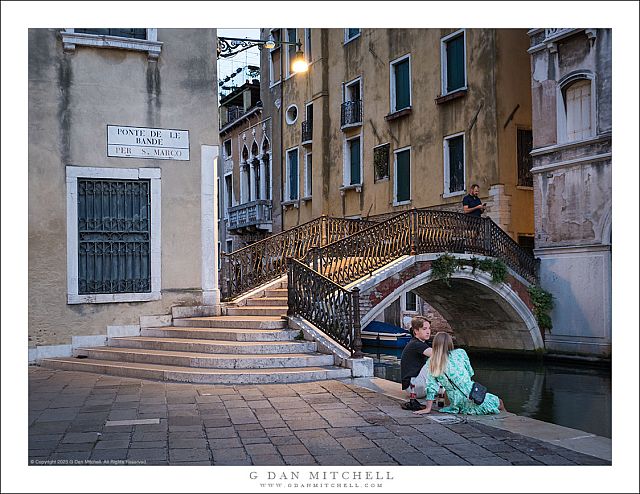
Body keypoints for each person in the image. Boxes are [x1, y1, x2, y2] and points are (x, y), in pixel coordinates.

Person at [413, 331, 507, 415]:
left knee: (447, 391)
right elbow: (470, 373)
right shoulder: (460, 353)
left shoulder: (432, 362)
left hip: (455, 401)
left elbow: (431, 387)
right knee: (500, 402)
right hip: (471, 395)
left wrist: (428, 408)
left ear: (435, 344)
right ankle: (506, 421)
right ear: (450, 343)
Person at [400, 317, 433, 409]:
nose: (428, 331)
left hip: (415, 386)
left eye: (429, 328)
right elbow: (437, 355)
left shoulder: (419, 343)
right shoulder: (416, 344)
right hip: (414, 387)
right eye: (424, 329)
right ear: (416, 331)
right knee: (435, 360)